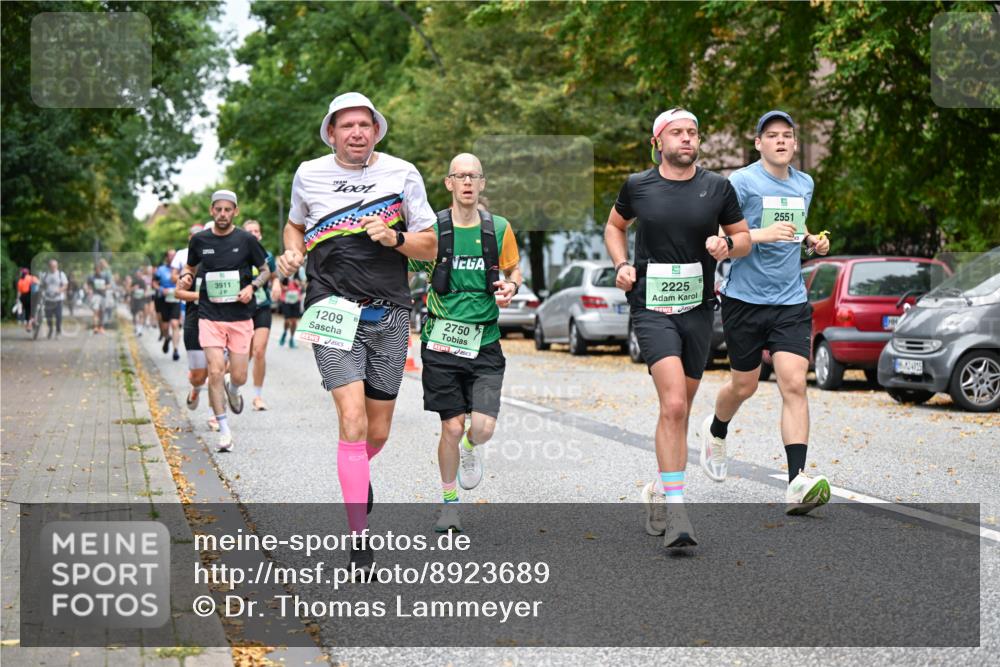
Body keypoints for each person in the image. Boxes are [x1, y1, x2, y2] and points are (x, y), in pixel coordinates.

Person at [277, 92, 437, 570]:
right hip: (330, 307)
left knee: (377, 431)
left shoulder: (403, 174)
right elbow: (294, 225)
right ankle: (359, 538)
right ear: (331, 133)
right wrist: (292, 251)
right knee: (352, 419)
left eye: (364, 125)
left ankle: (357, 469)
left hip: (390, 311)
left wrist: (395, 237)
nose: (356, 133)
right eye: (346, 125)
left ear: (376, 131)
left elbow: (431, 244)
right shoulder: (308, 173)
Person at [604, 107, 750, 549]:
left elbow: (743, 239)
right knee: (671, 404)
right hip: (651, 306)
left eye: (692, 133)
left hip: (698, 309)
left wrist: (727, 245)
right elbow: (614, 226)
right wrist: (622, 264)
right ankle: (678, 510)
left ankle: (659, 488)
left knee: (681, 409)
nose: (687, 138)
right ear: (658, 143)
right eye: (677, 133)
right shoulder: (638, 186)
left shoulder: (717, 187)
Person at [701, 110, 832, 515]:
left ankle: (797, 482)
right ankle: (716, 429)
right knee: (745, 385)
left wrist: (811, 241)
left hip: (790, 301)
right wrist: (761, 234)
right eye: (772, 135)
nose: (781, 141)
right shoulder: (741, 182)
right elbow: (720, 237)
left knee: (794, 384)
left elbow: (796, 228)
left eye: (787, 135)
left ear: (795, 143)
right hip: (744, 300)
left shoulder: (804, 183)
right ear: (758, 144)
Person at [409, 153, 522, 533]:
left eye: (474, 176)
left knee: (483, 428)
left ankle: (472, 449)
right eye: (461, 176)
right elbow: (406, 265)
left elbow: (514, 269)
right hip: (441, 342)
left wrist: (511, 285)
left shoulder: (499, 228)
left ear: (482, 183)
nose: (468, 182)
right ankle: (449, 504)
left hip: (485, 341)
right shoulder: (432, 230)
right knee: (452, 427)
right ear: (449, 183)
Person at [176, 191, 270, 453]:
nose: (222, 214)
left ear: (235, 212)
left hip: (240, 316)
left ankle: (235, 389)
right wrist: (185, 276)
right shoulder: (200, 240)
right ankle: (224, 431)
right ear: (211, 210)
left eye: (228, 209)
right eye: (218, 209)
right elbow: (190, 268)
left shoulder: (246, 240)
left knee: (238, 375)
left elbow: (265, 271)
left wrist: (252, 286)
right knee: (215, 371)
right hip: (209, 315)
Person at [242, 220, 281, 411]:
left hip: (262, 307)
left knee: (259, 351)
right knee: (243, 355)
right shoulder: (236, 255)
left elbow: (274, 275)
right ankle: (230, 385)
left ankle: (257, 396)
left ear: (260, 234)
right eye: (249, 231)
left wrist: (276, 283)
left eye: (256, 231)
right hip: (241, 309)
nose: (253, 234)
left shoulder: (268, 256)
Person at [153, 249, 181, 359]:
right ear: (166, 258)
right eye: (170, 256)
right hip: (164, 300)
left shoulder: (180, 269)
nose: (172, 257)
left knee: (175, 323)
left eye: (174, 255)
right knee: (165, 327)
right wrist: (161, 289)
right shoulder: (161, 270)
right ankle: (167, 337)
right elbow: (154, 283)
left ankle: (175, 350)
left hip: (175, 299)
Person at [40, 258, 68, 339]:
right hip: (48, 299)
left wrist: (59, 290)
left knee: (58, 316)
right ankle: (50, 329)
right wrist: (43, 291)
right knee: (48, 316)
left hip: (58, 299)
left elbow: (65, 285)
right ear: (49, 266)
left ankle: (58, 331)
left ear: (57, 266)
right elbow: (42, 285)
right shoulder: (45, 275)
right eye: (52, 266)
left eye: (55, 266)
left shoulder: (61, 274)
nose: (53, 267)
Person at [86, 259, 115, 334]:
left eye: (99, 269)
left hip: (103, 296)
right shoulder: (91, 276)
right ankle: (95, 327)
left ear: (101, 269)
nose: (98, 270)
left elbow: (109, 284)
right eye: (96, 269)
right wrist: (89, 290)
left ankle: (101, 327)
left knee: (102, 312)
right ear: (95, 270)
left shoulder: (105, 276)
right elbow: (87, 285)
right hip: (95, 296)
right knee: (96, 311)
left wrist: (105, 287)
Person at [278, 274, 304, 348]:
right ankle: (285, 332)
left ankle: (292, 338)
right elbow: (277, 281)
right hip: (286, 300)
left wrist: (299, 283)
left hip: (296, 299)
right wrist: (283, 287)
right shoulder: (284, 271)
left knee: (294, 321)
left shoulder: (299, 272)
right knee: (287, 320)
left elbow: (304, 282)